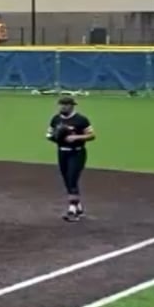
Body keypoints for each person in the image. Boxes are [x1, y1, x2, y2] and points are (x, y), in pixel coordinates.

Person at [47, 92, 96, 221]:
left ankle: (72, 210)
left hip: (77, 153)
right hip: (62, 152)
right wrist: (55, 137)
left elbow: (91, 135)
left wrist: (76, 137)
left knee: (72, 178)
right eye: (61, 104)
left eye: (66, 105)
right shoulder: (56, 119)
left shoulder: (81, 120)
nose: (63, 107)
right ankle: (78, 208)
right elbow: (49, 134)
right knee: (67, 180)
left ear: (72, 106)